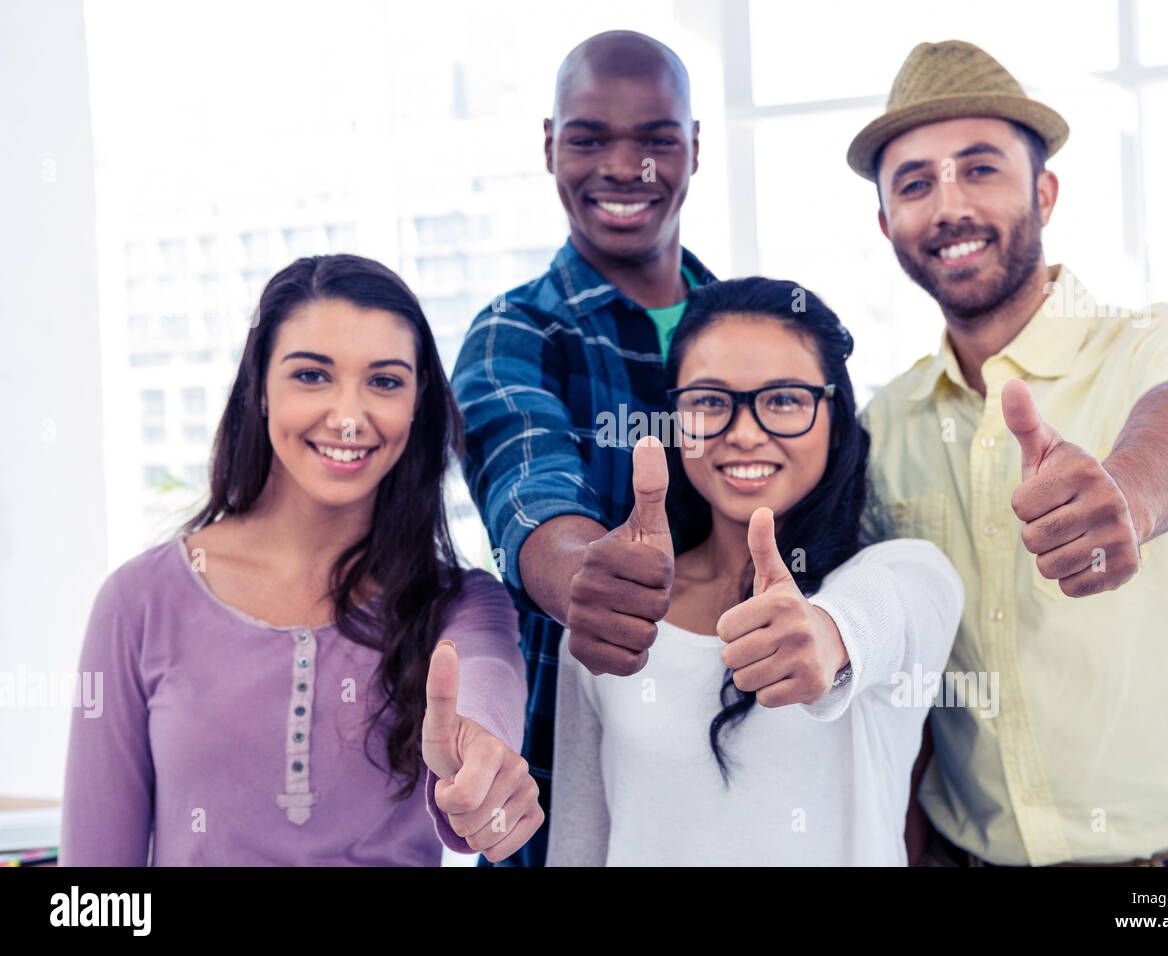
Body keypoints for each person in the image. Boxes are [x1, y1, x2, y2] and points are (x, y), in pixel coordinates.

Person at [845, 39, 1168, 866]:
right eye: (914, 184)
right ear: (886, 224)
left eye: (980, 169)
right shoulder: (883, 424)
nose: (948, 207)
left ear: (1043, 191)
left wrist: (1132, 493)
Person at [61, 254, 541, 865]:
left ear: (419, 403)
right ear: (260, 388)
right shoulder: (138, 602)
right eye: (312, 376)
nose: (348, 416)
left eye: (385, 381)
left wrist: (482, 769)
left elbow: (482, 692)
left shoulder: (464, 604)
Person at [546, 277, 963, 865]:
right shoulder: (615, 610)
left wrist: (825, 633)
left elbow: (890, 608)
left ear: (836, 420)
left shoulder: (903, 572)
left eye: (785, 399)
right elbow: (580, 842)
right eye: (710, 402)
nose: (744, 434)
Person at [449, 29, 718, 865]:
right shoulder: (514, 332)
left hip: (736, 785)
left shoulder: (759, 334)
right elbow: (527, 491)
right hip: (569, 803)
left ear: (695, 149)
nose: (624, 166)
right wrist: (583, 577)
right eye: (589, 137)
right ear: (549, 147)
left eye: (656, 139)